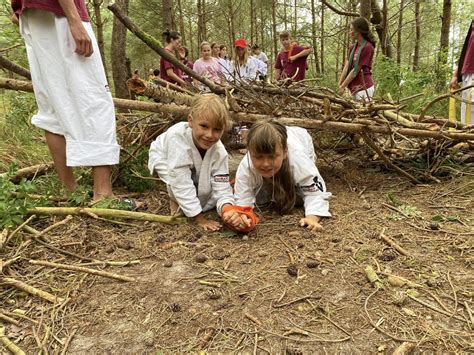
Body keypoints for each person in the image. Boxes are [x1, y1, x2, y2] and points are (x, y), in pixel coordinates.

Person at [11, 0, 120, 202]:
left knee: (52, 106)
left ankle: (72, 194)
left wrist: (18, 10)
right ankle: (103, 195)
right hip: (59, 11)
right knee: (94, 99)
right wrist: (74, 19)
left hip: (32, 14)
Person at [148, 94, 253, 232]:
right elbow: (180, 180)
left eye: (216, 129)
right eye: (204, 126)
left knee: (205, 188)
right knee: (175, 179)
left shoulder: (218, 151)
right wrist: (199, 218)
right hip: (164, 156)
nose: (209, 134)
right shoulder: (177, 138)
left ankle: (189, 204)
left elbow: (221, 185)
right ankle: (175, 202)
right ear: (191, 121)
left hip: (189, 162)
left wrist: (228, 209)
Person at [234, 119, 332, 232]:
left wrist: (312, 217)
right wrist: (244, 216)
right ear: (249, 152)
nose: (266, 164)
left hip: (301, 138)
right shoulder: (246, 165)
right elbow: (242, 199)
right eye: (259, 157)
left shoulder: (300, 161)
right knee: (262, 198)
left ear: (285, 152)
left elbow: (315, 193)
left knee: (298, 193)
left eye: (272, 157)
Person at [338, 17, 376, 101]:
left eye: (351, 29)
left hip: (364, 89)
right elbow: (346, 67)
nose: (349, 32)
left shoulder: (368, 47)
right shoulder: (352, 48)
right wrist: (340, 83)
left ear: (359, 31)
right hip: (354, 89)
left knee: (363, 113)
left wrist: (343, 86)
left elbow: (355, 70)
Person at [449, 20, 474, 125]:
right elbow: (466, 52)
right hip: (467, 74)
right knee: (467, 112)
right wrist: (456, 74)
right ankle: (466, 140)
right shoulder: (473, 23)